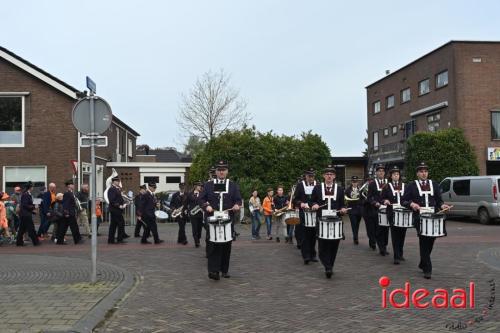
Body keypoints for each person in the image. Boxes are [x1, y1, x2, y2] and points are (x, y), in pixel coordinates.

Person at [402, 162, 450, 279]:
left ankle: (423, 262)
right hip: (420, 217)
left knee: (431, 240)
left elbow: (439, 200)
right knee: (424, 240)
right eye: (421, 171)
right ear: (417, 173)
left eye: (425, 171)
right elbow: (404, 200)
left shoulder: (434, 184)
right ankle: (428, 269)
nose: (424, 174)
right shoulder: (411, 185)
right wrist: (412, 204)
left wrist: (443, 206)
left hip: (433, 217)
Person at [199, 160, 242, 280]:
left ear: (227, 171)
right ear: (216, 172)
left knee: (226, 245)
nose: (221, 172)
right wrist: (206, 206)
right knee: (213, 244)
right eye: (219, 170)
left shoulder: (233, 185)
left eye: (223, 170)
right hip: (213, 218)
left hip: (227, 218)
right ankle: (213, 271)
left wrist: (237, 205)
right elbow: (201, 199)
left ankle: (224, 270)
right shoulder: (208, 185)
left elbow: (238, 200)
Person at [311, 165, 347, 278]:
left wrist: (343, 209)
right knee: (322, 247)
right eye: (327, 174)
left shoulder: (340, 189)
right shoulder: (317, 188)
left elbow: (342, 204)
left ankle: (329, 266)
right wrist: (314, 204)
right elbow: (312, 201)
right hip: (322, 221)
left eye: (331, 174)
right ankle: (328, 266)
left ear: (334, 176)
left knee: (334, 246)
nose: (329, 176)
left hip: (335, 222)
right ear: (323, 176)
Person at [382, 166, 407, 265]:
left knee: (402, 234)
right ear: (391, 176)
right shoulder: (387, 186)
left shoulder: (405, 186)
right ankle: (396, 256)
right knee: (395, 234)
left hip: (404, 213)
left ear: (399, 176)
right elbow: (382, 198)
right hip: (392, 213)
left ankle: (400, 253)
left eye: (397, 174)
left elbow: (408, 197)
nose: (396, 176)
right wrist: (385, 200)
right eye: (394, 174)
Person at [294, 168, 318, 264]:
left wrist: (316, 204)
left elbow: (320, 199)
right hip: (303, 213)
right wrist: (301, 203)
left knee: (313, 235)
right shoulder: (300, 185)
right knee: (304, 235)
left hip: (314, 214)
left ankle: (313, 254)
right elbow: (295, 199)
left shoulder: (318, 185)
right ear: (306, 176)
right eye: (309, 176)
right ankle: (306, 256)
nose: (311, 178)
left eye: (312, 176)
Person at [367, 164, 388, 254]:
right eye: (379, 171)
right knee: (378, 229)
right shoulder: (372, 184)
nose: (381, 173)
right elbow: (369, 197)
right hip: (375, 210)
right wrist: (375, 203)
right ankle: (382, 248)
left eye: (383, 171)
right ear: (376, 173)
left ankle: (384, 245)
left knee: (386, 230)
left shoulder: (388, 183)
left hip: (386, 210)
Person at [57, 179, 83, 245]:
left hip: (69, 213)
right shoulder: (67, 193)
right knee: (74, 227)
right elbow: (65, 204)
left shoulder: (71, 193)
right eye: (72, 184)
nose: (73, 185)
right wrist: (66, 213)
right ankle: (77, 240)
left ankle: (60, 241)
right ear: (69, 186)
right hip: (69, 213)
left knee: (63, 227)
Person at [16, 182, 40, 246]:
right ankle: (36, 242)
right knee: (31, 229)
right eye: (32, 186)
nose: (33, 188)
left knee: (22, 229)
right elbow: (25, 205)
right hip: (26, 215)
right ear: (30, 187)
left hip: (24, 214)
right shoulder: (26, 195)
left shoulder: (26, 194)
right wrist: (34, 206)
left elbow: (25, 206)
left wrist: (32, 210)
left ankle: (19, 242)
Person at [107, 176, 127, 244]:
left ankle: (111, 240)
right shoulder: (112, 189)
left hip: (116, 210)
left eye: (118, 181)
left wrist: (124, 203)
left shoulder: (116, 189)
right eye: (117, 181)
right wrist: (119, 206)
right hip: (115, 210)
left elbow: (118, 198)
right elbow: (112, 200)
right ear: (113, 182)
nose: (118, 182)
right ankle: (119, 239)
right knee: (121, 224)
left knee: (113, 225)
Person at [344, 176, 363, 245]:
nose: (354, 183)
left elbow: (364, 198)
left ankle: (356, 235)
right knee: (353, 224)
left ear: (358, 182)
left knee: (357, 224)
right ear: (351, 182)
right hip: (351, 209)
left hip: (359, 210)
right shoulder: (348, 190)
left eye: (356, 182)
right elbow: (345, 198)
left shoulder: (361, 189)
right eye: (353, 182)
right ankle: (355, 237)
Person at [188, 181, 204, 247]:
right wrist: (186, 211)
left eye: (200, 186)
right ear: (195, 186)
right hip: (193, 214)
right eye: (199, 186)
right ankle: (196, 242)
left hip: (200, 213)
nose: (200, 187)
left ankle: (198, 238)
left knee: (199, 229)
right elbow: (186, 203)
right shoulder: (190, 194)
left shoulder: (202, 194)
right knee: (194, 228)